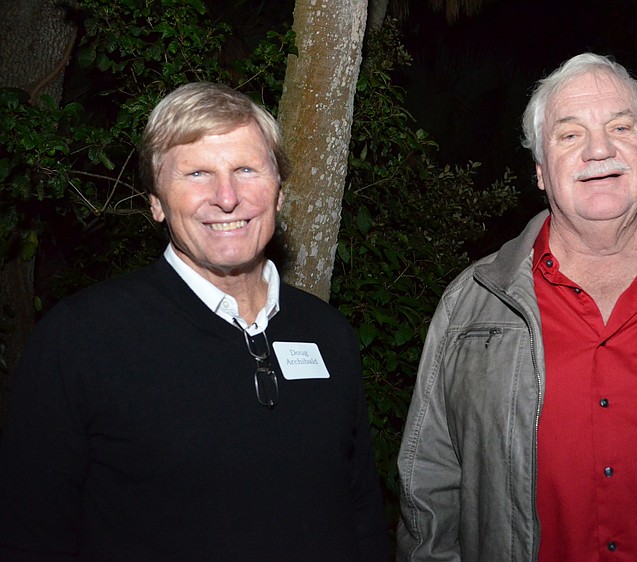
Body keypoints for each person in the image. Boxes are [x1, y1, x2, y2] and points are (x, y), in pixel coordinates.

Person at [396, 53, 637, 562]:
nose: (599, 149)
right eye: (570, 134)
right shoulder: (470, 303)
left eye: (620, 127)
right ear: (540, 171)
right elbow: (429, 487)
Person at [0, 82, 389, 561]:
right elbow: (29, 536)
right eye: (198, 173)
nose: (226, 197)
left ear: (279, 192)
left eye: (246, 169)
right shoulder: (81, 339)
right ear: (156, 202)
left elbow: (363, 516)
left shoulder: (329, 334)